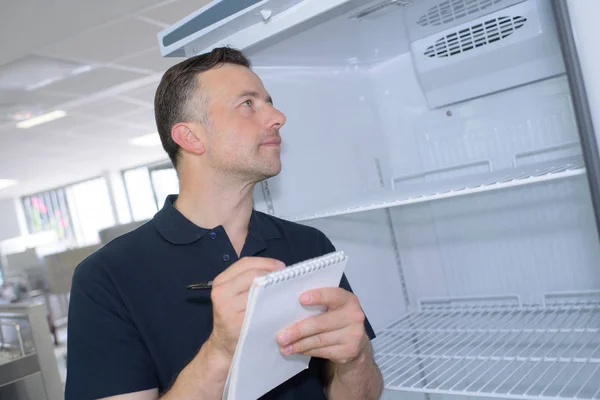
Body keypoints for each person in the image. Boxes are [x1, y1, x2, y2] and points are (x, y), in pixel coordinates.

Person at [65, 47, 383, 400]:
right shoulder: (107, 277)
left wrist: (355, 358)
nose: (278, 116)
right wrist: (220, 351)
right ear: (191, 137)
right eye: (248, 104)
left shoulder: (310, 245)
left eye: (269, 102)